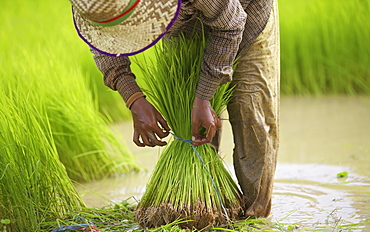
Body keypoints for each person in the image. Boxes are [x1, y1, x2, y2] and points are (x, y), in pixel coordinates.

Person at [70, 0, 280, 217]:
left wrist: (203, 98)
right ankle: (210, 206)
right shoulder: (91, 4)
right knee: (191, 121)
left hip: (246, 15)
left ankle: (257, 221)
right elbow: (102, 43)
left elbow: (232, 22)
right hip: (183, 27)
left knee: (251, 116)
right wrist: (134, 99)